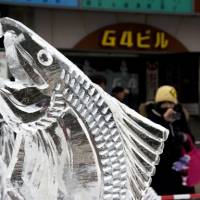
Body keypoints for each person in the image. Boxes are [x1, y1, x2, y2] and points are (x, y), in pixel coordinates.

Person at [139, 85, 195, 195]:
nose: (169, 106)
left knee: (182, 193)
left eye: (171, 103)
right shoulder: (152, 117)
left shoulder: (179, 116)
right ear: (158, 104)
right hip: (160, 168)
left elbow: (190, 139)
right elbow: (152, 140)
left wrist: (183, 137)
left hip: (179, 164)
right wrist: (164, 121)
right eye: (165, 103)